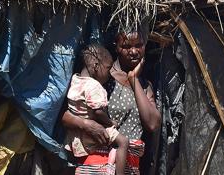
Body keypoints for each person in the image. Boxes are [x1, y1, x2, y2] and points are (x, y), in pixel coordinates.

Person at [62, 29, 161, 175]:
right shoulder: (101, 79)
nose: (133, 51)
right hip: (96, 164)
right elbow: (65, 116)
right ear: (116, 46)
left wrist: (133, 79)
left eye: (139, 45)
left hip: (129, 167)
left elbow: (152, 124)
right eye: (126, 46)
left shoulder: (145, 85)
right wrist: (86, 125)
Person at [64, 44, 129, 175]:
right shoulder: (95, 86)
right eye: (108, 68)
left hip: (75, 135)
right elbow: (98, 112)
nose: (110, 74)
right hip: (92, 131)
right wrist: (111, 122)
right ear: (95, 66)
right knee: (123, 142)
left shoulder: (75, 80)